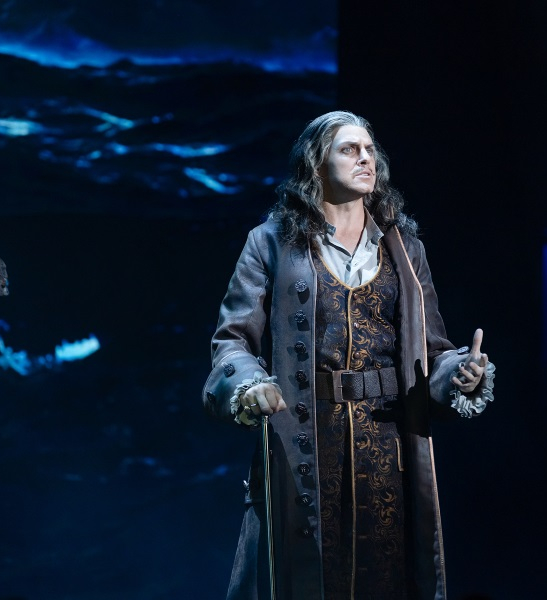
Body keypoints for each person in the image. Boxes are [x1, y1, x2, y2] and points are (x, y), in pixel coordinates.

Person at [202, 111, 495, 600]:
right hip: (306, 449)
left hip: (388, 456)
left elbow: (433, 352)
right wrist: (250, 386)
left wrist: (460, 373)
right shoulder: (270, 242)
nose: (365, 158)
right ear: (316, 164)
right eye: (349, 149)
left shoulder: (405, 249)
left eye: (369, 149)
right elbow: (231, 341)